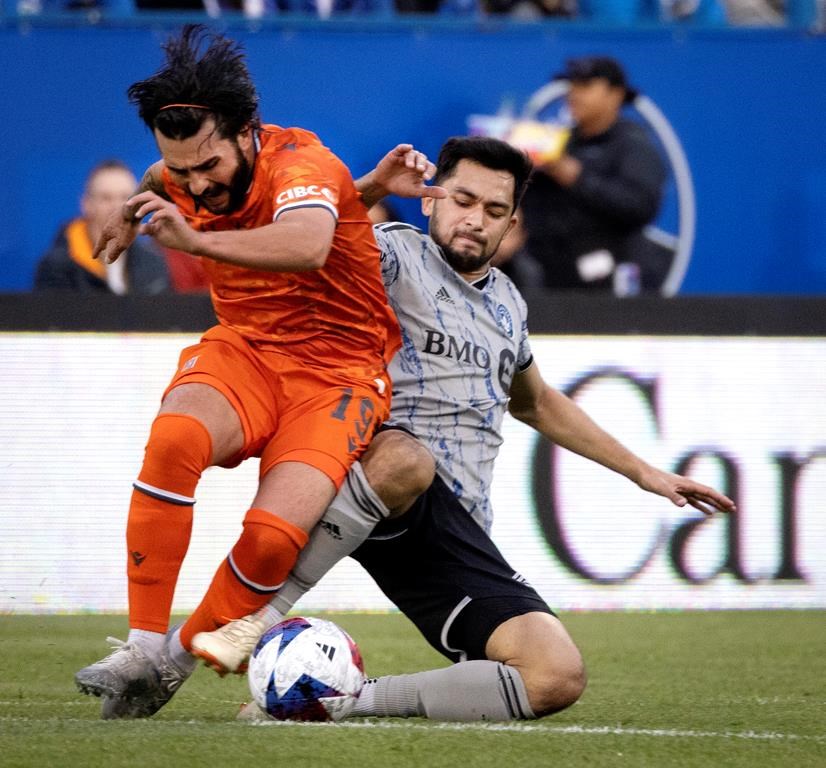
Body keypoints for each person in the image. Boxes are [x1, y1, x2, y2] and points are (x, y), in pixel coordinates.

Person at [191, 136, 735, 723]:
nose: (475, 220)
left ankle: (344, 699)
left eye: (495, 211)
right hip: (373, 473)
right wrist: (370, 187)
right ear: (430, 201)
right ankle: (261, 616)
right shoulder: (391, 254)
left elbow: (539, 403)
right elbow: (313, 237)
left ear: (511, 222)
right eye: (463, 200)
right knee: (407, 458)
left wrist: (646, 474)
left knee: (555, 676)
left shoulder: (508, 305)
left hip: (453, 531)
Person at [73, 24, 442, 720]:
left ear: (249, 133)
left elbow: (308, 242)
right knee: (174, 439)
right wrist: (129, 211)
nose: (194, 184)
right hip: (246, 348)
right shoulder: (179, 170)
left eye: (207, 165)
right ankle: (142, 648)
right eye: (180, 171)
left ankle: (173, 665)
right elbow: (159, 180)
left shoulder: (301, 162)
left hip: (338, 375)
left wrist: (185, 237)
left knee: (274, 538)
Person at [519, 56, 670, 294]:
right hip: (552, 276)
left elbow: (640, 206)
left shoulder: (633, 144)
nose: (574, 94)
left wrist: (577, 177)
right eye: (572, 86)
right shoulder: (560, 141)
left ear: (616, 94)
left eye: (585, 86)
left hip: (608, 277)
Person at [33, 160, 171, 295]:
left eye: (125, 197)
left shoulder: (153, 263)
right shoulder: (57, 267)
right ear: (86, 204)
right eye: (106, 198)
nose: (117, 206)